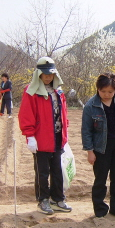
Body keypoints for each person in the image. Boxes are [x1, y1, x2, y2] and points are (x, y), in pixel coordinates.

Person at [18, 56, 72, 215]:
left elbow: (64, 114)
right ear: (38, 74)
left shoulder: (58, 91)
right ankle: (43, 200)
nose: (48, 77)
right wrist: (30, 136)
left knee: (57, 169)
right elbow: (26, 114)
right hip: (41, 139)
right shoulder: (31, 91)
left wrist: (64, 133)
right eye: (45, 74)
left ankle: (58, 198)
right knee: (42, 171)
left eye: (51, 74)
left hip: (57, 137)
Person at [82, 73, 115, 220]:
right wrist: (90, 151)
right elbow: (86, 130)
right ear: (97, 89)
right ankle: (100, 209)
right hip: (100, 148)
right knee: (100, 179)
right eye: (103, 91)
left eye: (110, 92)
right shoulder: (90, 106)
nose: (106, 95)